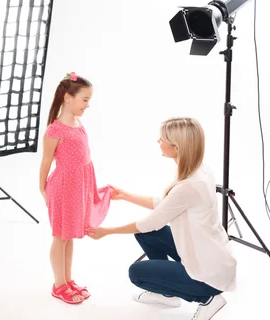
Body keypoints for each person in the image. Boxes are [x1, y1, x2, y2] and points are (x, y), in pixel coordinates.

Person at [86, 117, 236, 320]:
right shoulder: (198, 169)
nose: (159, 141)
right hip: (211, 256)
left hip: (208, 275)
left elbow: (151, 221)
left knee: (136, 272)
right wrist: (124, 195)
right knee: (147, 235)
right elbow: (166, 204)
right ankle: (167, 294)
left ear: (177, 147)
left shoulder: (190, 184)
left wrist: (107, 231)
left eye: (162, 138)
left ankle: (207, 298)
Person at [39, 71, 112, 304]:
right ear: (68, 98)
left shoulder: (78, 123)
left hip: (77, 188)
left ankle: (68, 280)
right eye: (85, 100)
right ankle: (58, 285)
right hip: (62, 188)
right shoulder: (55, 130)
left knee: (69, 236)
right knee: (60, 236)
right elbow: (46, 161)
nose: (88, 105)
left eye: (89, 100)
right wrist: (43, 190)